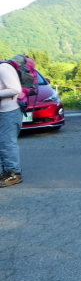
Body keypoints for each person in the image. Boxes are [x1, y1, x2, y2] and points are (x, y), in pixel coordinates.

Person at [0, 58, 23, 187]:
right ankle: (6, 172)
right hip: (4, 111)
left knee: (7, 143)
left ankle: (14, 174)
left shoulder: (2, 68)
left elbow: (15, 89)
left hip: (9, 111)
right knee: (2, 143)